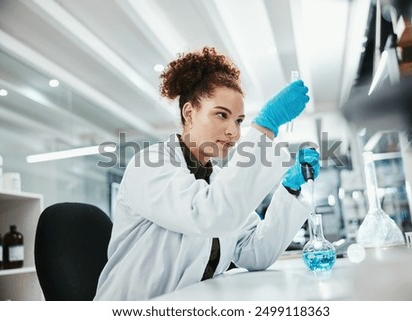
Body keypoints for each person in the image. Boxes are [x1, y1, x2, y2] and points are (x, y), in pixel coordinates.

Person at [94, 47, 319, 300]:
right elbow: (210, 214)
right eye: (221, 115)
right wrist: (265, 126)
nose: (233, 132)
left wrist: (290, 188)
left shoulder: (218, 179)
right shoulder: (149, 165)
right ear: (189, 113)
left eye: (239, 121)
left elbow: (254, 252)